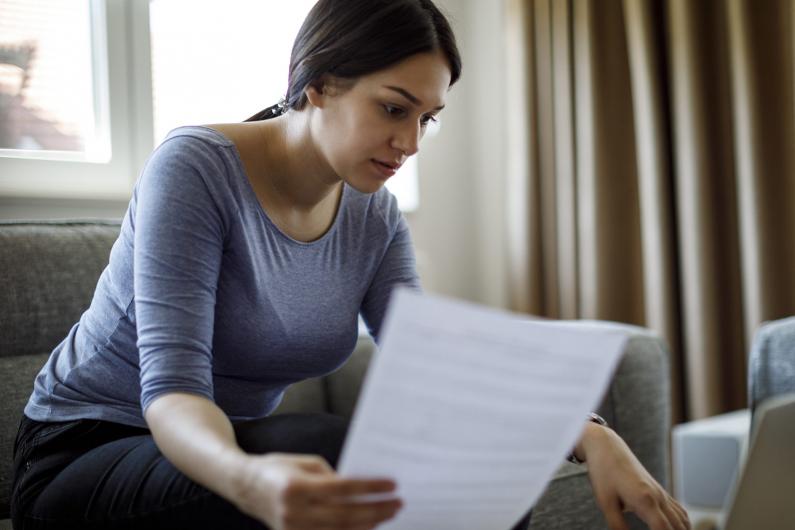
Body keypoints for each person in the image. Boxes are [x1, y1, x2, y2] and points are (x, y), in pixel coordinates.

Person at [10, 1, 690, 529]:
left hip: (224, 441)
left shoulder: (372, 215)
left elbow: (434, 365)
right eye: (393, 108)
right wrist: (251, 481)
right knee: (322, 462)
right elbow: (174, 394)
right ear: (318, 84)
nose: (409, 143)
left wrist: (590, 435)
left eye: (427, 119)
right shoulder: (194, 170)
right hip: (87, 452)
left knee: (465, 476)